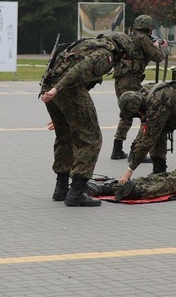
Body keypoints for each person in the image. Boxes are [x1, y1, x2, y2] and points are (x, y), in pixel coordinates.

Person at [39, 32, 135, 207]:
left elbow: (60, 63)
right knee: (91, 139)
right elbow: (80, 69)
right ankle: (76, 192)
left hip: (50, 87)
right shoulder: (105, 54)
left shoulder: (88, 44)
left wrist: (62, 106)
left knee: (65, 136)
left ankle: (61, 188)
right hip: (65, 90)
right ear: (121, 50)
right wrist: (58, 90)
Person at [110, 14, 166, 159]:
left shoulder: (129, 37)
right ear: (148, 29)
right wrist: (159, 47)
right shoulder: (144, 39)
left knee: (127, 113)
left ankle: (117, 149)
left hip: (120, 80)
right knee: (145, 114)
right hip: (131, 81)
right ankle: (137, 151)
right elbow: (158, 57)